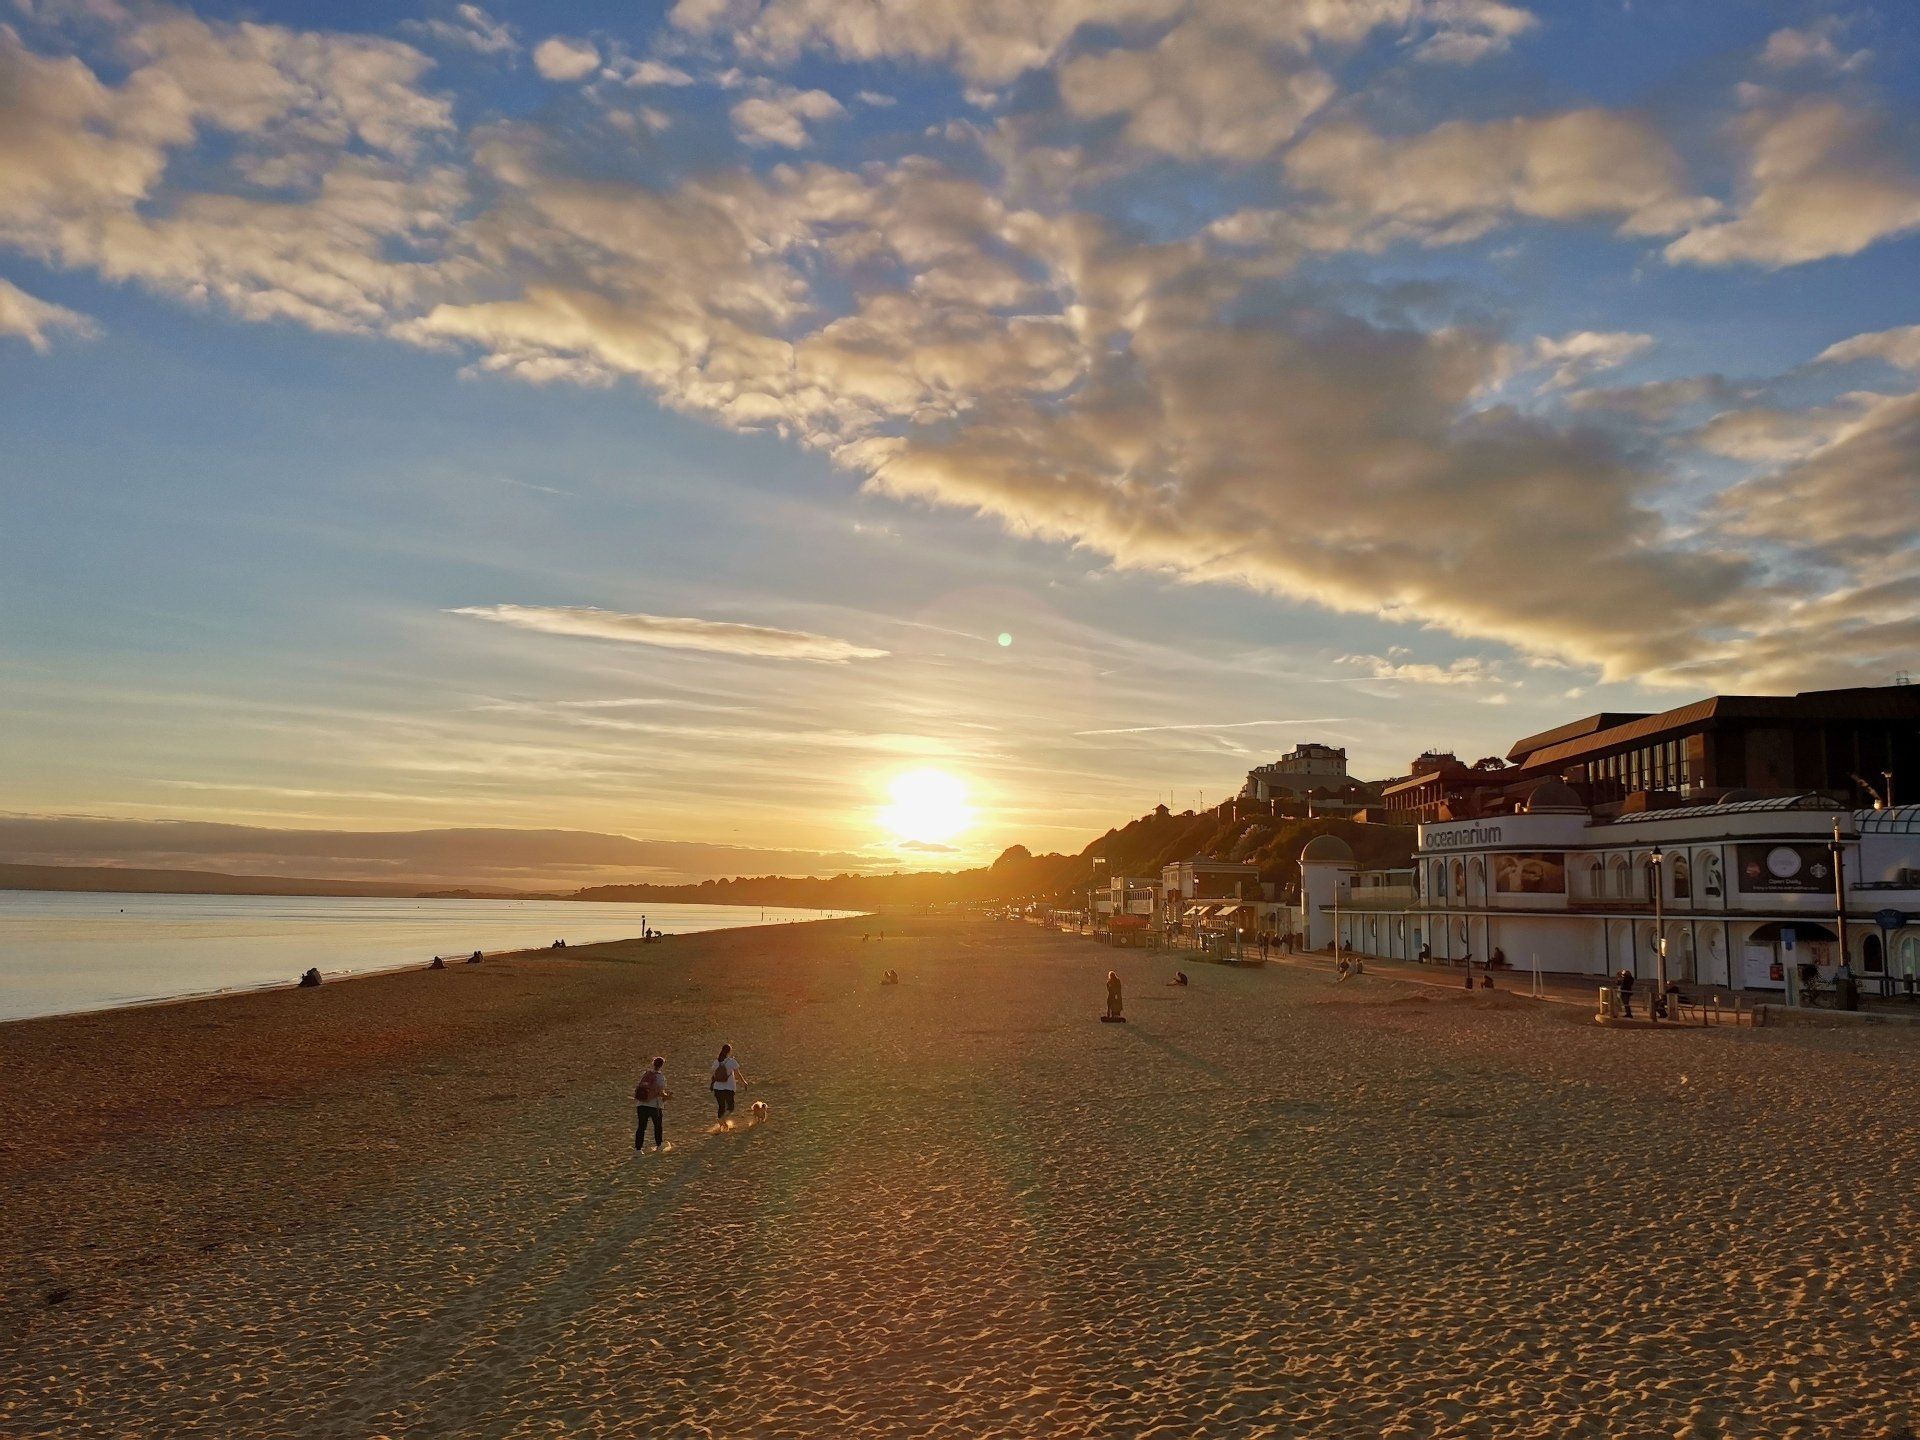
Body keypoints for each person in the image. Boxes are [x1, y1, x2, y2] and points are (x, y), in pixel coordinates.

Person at [635, 1057, 669, 1152]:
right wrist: (667, 1097)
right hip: (655, 1105)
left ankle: (638, 1150)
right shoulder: (660, 1077)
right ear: (662, 1065)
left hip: (641, 1104)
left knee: (641, 1127)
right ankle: (659, 1146)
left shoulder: (646, 1074)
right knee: (657, 1126)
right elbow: (660, 1092)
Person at [711, 1043, 745, 1127]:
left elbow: (714, 1074)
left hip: (717, 1087)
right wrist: (743, 1082)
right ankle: (722, 1120)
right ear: (729, 1052)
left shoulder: (716, 1062)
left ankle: (721, 1126)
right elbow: (737, 1074)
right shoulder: (731, 1061)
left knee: (721, 1107)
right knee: (730, 1107)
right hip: (729, 1087)